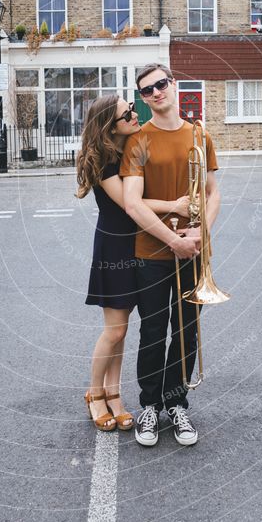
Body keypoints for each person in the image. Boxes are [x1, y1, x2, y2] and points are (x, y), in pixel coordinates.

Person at [76, 94, 190, 433]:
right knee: (115, 330)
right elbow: (131, 203)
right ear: (112, 125)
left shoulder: (126, 148)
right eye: (129, 113)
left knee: (123, 330)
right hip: (114, 247)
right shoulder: (104, 160)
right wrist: (175, 205)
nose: (136, 114)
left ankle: (114, 395)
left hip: (136, 245)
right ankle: (95, 394)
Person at [120, 64, 220, 447]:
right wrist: (172, 240)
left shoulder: (199, 134)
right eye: (148, 91)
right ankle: (149, 405)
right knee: (152, 332)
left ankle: (176, 403)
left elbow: (213, 194)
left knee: (186, 331)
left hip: (193, 248)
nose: (157, 93)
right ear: (143, 99)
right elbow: (133, 204)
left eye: (161, 84)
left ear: (173, 85)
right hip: (152, 252)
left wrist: (198, 232)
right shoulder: (138, 141)